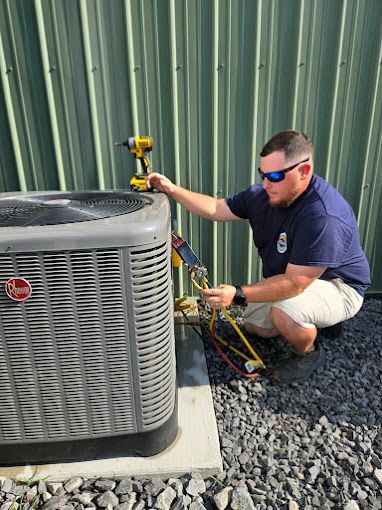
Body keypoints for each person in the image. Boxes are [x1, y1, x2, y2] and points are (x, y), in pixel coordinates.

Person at [147, 130, 371, 383]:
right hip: (297, 278)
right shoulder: (264, 194)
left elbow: (297, 283)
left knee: (284, 312)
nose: (266, 184)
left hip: (339, 286)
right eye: (262, 174)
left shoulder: (323, 215)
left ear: (304, 172)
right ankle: (319, 321)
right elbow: (216, 208)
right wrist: (172, 189)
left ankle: (309, 353)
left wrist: (237, 293)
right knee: (256, 327)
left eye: (275, 176)